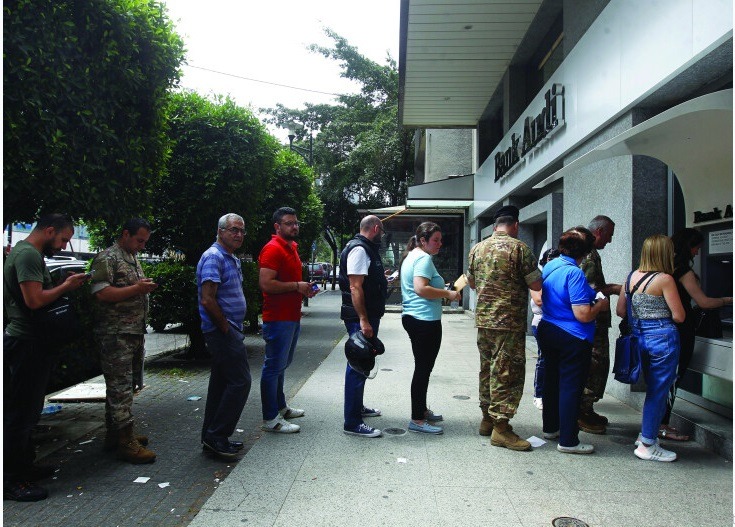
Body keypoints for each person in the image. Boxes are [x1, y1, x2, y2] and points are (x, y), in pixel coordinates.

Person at [3, 214, 89, 501]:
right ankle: (12, 480)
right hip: (26, 342)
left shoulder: (26, 252)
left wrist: (60, 282)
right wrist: (66, 286)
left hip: (30, 341)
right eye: (63, 239)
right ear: (50, 230)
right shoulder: (28, 254)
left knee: (28, 411)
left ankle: (24, 467)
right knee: (21, 414)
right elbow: (34, 300)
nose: (64, 246)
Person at [466, 205, 541, 450]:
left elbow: (472, 282)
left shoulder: (477, 249)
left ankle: (487, 419)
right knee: (507, 372)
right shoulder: (520, 249)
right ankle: (501, 428)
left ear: (495, 226)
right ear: (515, 225)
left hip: (484, 321)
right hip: (508, 322)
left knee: (487, 369)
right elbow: (536, 284)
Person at [90, 218, 158, 464]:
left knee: (126, 386)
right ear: (125, 234)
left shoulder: (130, 257)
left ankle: (115, 434)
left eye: (145, 242)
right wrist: (137, 289)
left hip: (132, 332)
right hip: (115, 334)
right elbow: (101, 293)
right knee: (120, 388)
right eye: (139, 240)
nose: (142, 246)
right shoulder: (108, 258)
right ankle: (126, 442)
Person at [537, 227, 609, 455]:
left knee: (552, 381)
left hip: (548, 328)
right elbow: (583, 314)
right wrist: (600, 305)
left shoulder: (552, 265)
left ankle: (551, 428)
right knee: (571, 387)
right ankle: (568, 441)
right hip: (573, 336)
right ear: (586, 253)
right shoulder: (574, 273)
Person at [659, 229, 733, 441]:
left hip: (663, 329)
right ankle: (662, 425)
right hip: (681, 330)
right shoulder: (684, 272)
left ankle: (659, 423)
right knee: (674, 377)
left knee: (663, 379)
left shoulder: (664, 268)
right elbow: (704, 302)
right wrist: (728, 300)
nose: (698, 252)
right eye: (696, 248)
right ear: (688, 247)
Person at [616, 234, 685, 462]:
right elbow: (679, 316)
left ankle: (646, 435)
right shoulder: (665, 279)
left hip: (639, 338)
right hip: (662, 338)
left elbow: (621, 311)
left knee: (652, 390)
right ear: (664, 253)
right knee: (658, 392)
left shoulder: (631, 277)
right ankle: (647, 444)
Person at [197, 213, 252, 460]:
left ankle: (211, 437)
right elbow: (207, 299)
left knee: (221, 384)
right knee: (241, 382)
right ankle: (218, 435)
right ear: (220, 231)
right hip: (222, 331)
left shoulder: (231, 257)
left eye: (241, 230)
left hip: (230, 329)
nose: (239, 234)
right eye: (233, 230)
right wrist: (226, 328)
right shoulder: (214, 257)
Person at [258, 207, 317, 433]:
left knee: (281, 366)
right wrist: (296, 286)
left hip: (291, 317)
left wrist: (303, 289)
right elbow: (266, 284)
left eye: (296, 223)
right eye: (289, 223)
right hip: (278, 319)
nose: (294, 227)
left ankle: (280, 407)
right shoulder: (273, 248)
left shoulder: (291, 247)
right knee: (273, 367)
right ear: (277, 226)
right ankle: (270, 419)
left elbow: (290, 283)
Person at [400, 222, 461, 435]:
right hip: (424, 320)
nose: (439, 244)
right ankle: (417, 419)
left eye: (440, 240)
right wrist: (448, 294)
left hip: (416, 318)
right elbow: (421, 288)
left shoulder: (412, 256)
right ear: (423, 240)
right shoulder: (423, 258)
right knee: (423, 369)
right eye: (435, 240)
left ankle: (422, 410)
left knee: (423, 368)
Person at [338, 215, 389, 438]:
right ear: (375, 228)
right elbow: (355, 287)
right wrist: (363, 320)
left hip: (366, 315)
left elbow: (363, 281)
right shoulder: (359, 249)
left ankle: (357, 408)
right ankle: (352, 422)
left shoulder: (365, 248)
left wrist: (380, 279)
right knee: (358, 364)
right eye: (382, 232)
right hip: (361, 317)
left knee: (363, 362)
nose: (382, 236)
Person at [577, 215, 622, 434]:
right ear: (599, 232)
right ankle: (582, 411)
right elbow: (588, 291)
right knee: (594, 364)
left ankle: (587, 409)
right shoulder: (589, 255)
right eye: (609, 235)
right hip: (592, 322)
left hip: (593, 322)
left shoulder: (589, 253)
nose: (610, 240)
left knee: (597, 364)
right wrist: (612, 289)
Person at [530, 248, 561, 411]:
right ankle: (539, 394)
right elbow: (539, 300)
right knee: (544, 359)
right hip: (542, 322)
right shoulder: (538, 279)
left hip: (558, 324)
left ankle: (552, 394)